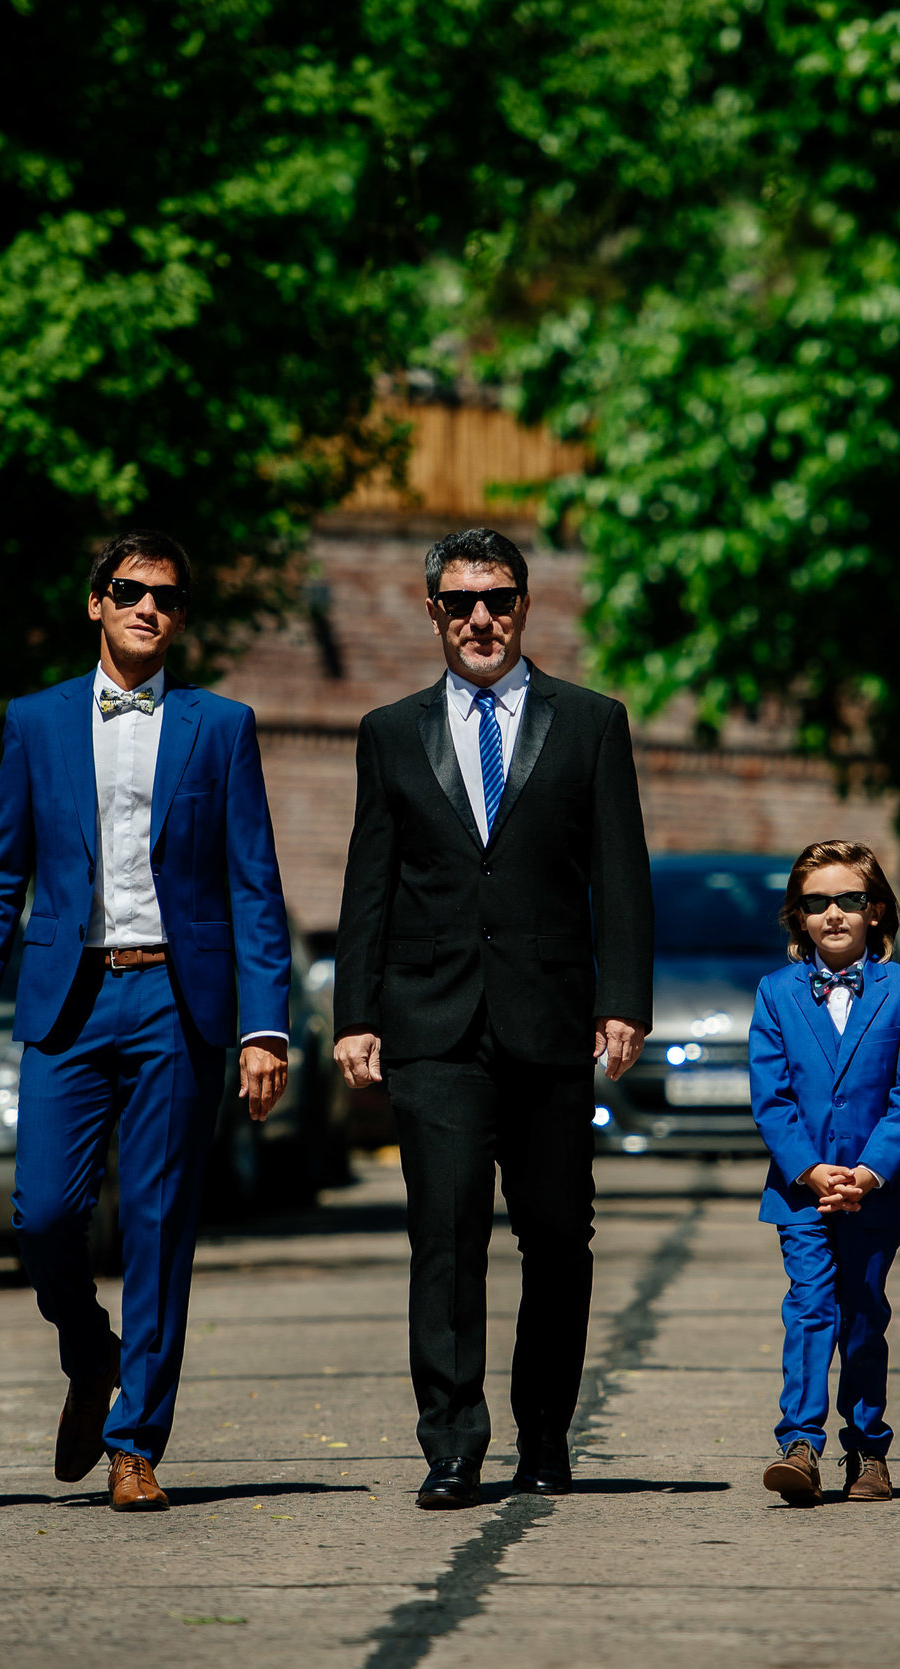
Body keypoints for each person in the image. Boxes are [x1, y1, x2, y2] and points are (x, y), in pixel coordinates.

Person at [0, 530, 292, 1512]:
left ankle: (135, 1439)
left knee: (156, 1224)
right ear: (94, 602)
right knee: (43, 1213)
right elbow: (2, 878)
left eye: (168, 597)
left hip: (175, 1002)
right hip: (68, 997)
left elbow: (254, 886)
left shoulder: (219, 726)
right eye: (130, 590)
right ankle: (89, 1351)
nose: (150, 607)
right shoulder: (35, 721)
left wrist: (264, 1025)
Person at [332, 526, 654, 1509]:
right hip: (431, 1025)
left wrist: (622, 1000)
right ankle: (453, 1442)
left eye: (500, 599)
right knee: (446, 1228)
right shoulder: (389, 732)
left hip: (549, 1019)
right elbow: (368, 885)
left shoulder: (590, 721)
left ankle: (545, 1431)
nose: (482, 617)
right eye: (462, 600)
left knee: (557, 1233)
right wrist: (354, 1013)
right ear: (432, 608)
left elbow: (621, 875)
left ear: (526, 605)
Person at [749, 840, 900, 1508]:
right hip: (800, 1193)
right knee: (809, 1306)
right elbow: (770, 1096)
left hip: (874, 1194)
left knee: (862, 1312)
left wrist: (867, 1171)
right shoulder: (775, 994)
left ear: (876, 911)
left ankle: (868, 1447)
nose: (833, 913)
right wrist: (809, 1168)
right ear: (798, 916)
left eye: (849, 900)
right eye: (816, 902)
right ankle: (800, 1443)